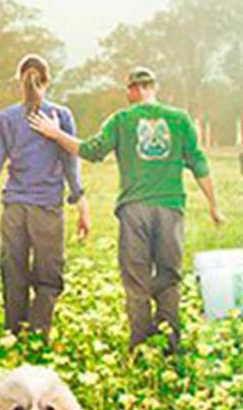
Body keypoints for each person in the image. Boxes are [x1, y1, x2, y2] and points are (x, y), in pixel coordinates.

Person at [28, 66, 224, 353]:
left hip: (135, 211)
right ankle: (170, 346)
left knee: (136, 280)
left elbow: (92, 151)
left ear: (133, 90)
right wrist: (214, 206)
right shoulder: (180, 119)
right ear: (153, 87)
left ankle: (140, 346)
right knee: (169, 277)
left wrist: (56, 134)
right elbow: (199, 163)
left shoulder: (121, 120)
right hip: (170, 209)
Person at [0, 54, 90, 336]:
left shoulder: (6, 118)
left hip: (14, 210)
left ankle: (14, 334)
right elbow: (71, 165)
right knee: (48, 277)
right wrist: (82, 207)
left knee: (13, 274)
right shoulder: (61, 116)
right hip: (46, 210)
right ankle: (38, 333)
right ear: (47, 80)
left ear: (20, 80)